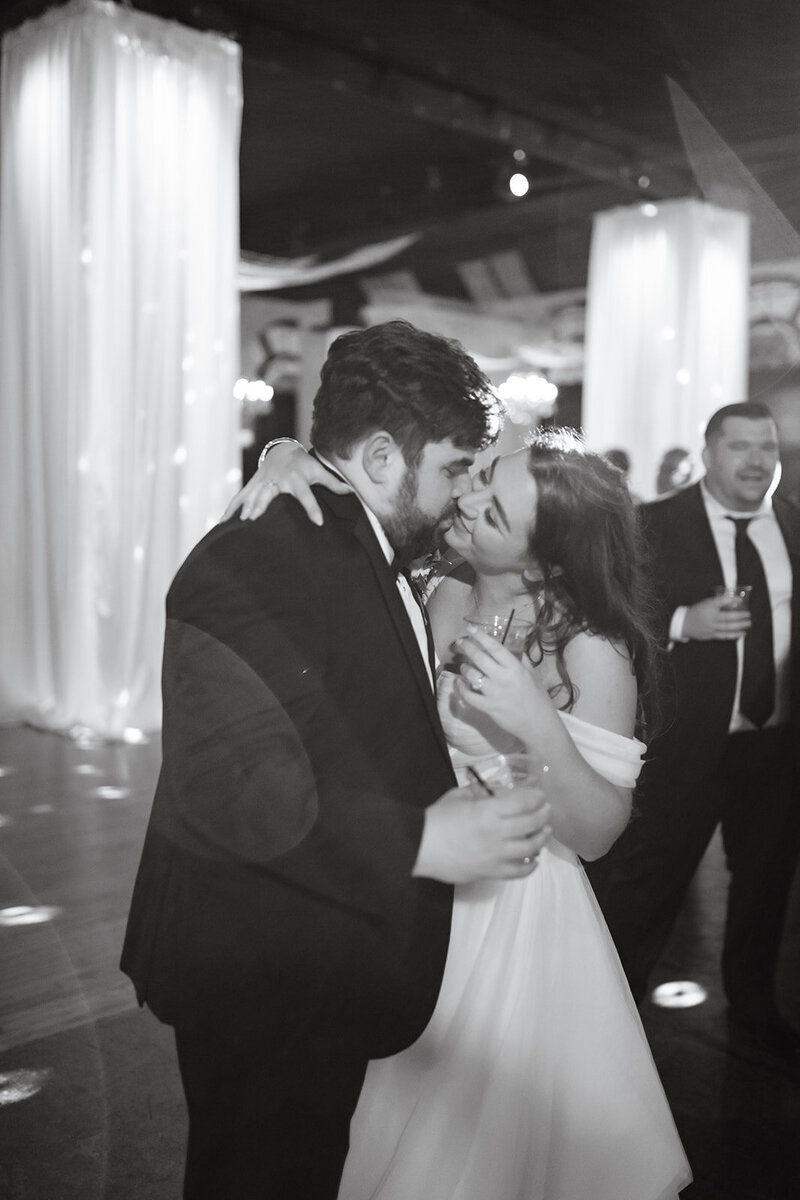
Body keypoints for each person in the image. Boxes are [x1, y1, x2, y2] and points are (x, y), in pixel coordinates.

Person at [120, 320, 552, 1200]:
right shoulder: (258, 553)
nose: (465, 497)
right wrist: (420, 845)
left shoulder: (362, 538)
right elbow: (232, 785)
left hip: (318, 952)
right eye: (455, 469)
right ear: (385, 457)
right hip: (258, 968)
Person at [233, 428, 692, 1199]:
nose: (469, 498)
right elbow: (357, 484)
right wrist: (285, 453)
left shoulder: (591, 650)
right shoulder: (438, 588)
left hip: (513, 911)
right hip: (409, 878)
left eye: (494, 507)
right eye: (480, 477)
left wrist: (531, 720)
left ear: (546, 559)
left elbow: (598, 833)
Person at [587, 402, 800, 1061]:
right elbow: (610, 612)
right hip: (686, 747)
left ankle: (755, 1008)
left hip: (774, 744)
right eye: (740, 446)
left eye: (767, 446)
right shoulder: (653, 525)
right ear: (708, 453)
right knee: (650, 887)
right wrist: (684, 622)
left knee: (765, 885)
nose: (757, 459)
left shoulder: (792, 522)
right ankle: (611, 1022)